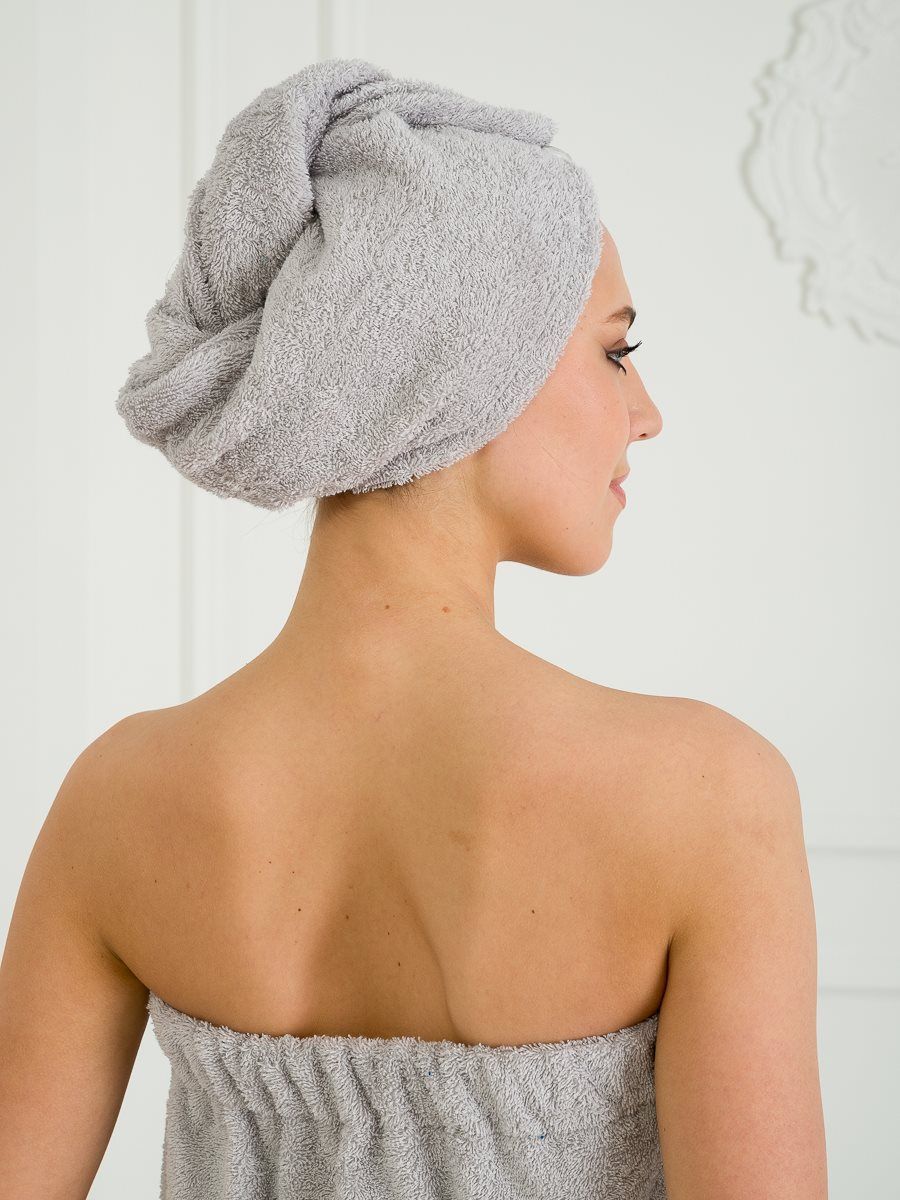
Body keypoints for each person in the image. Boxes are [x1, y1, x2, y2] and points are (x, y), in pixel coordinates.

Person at [0, 60, 827, 1200]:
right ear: (465, 371)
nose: (647, 413)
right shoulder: (707, 794)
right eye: (615, 350)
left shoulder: (118, 798)